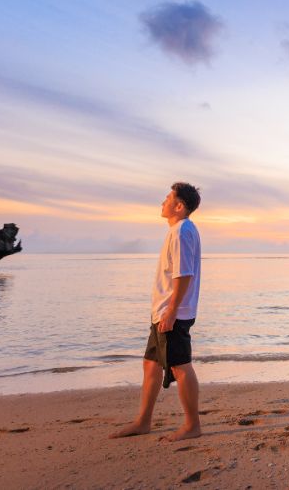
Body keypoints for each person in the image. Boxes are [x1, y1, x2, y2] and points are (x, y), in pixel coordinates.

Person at [111, 182, 203, 442]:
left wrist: (172, 311)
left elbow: (184, 274)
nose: (162, 203)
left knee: (181, 367)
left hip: (173, 313)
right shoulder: (179, 230)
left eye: (167, 198)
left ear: (179, 205)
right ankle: (143, 421)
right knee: (150, 365)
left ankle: (192, 425)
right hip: (165, 311)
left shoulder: (182, 230)